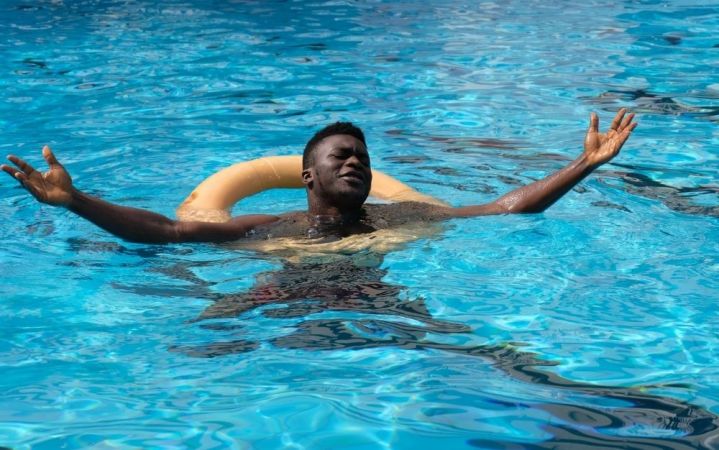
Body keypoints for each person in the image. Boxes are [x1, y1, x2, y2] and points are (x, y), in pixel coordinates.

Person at [1, 109, 637, 244]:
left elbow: (506, 209)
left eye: (361, 156)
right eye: (341, 156)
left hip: (375, 305)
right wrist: (74, 200)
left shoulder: (402, 216)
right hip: (283, 306)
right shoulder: (272, 227)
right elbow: (166, 230)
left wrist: (584, 163)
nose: (356, 162)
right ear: (308, 175)